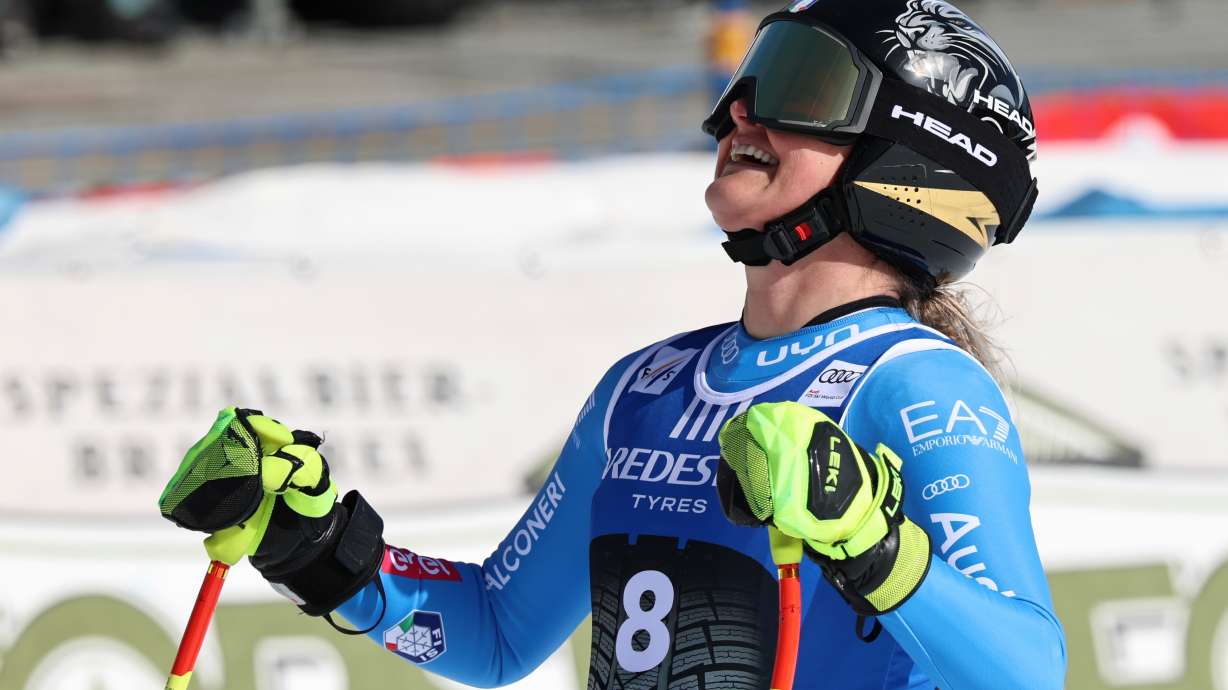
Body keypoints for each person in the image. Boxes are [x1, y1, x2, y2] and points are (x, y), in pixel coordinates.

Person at [159, 1, 1066, 688]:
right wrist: (316, 548)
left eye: (802, 89)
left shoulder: (916, 386)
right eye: (748, 80)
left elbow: (1029, 668)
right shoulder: (649, 385)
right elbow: (497, 633)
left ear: (911, 157)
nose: (740, 113)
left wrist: (873, 544)